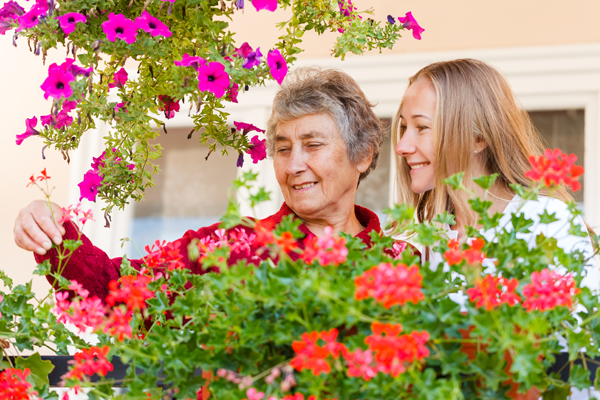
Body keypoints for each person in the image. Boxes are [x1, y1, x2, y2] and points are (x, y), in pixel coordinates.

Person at [14, 67, 388, 301]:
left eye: (313, 145)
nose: (293, 165)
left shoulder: (402, 264)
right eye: (283, 148)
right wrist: (51, 230)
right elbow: (114, 289)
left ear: (363, 154)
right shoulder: (229, 248)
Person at [391, 58, 598, 288]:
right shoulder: (437, 233)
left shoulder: (548, 221)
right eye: (403, 127)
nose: (402, 146)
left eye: (421, 127)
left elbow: (576, 321)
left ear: (478, 138)